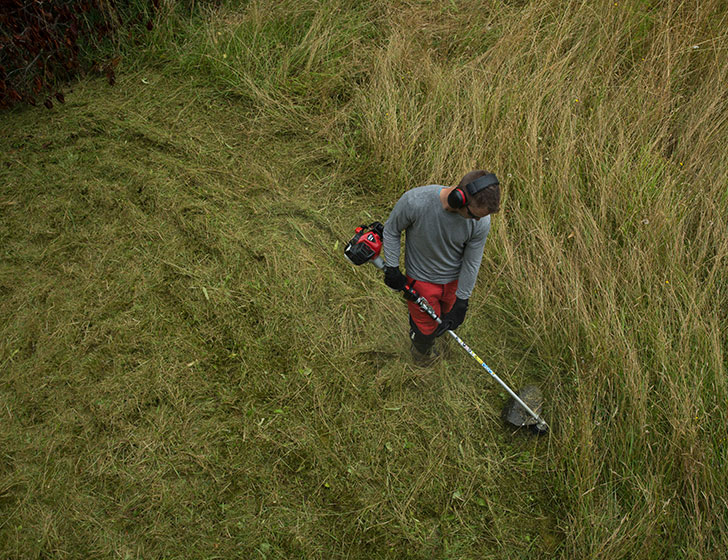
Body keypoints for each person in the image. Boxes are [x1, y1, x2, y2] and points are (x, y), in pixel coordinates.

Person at [382, 170, 500, 366]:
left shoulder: (480, 221)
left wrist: (462, 300)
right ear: (458, 198)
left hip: (453, 283)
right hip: (422, 281)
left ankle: (439, 337)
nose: (478, 221)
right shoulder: (416, 201)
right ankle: (422, 358)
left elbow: (471, 262)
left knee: (446, 320)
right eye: (473, 215)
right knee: (424, 330)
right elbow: (392, 230)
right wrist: (392, 267)